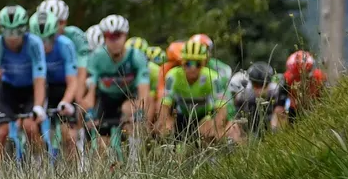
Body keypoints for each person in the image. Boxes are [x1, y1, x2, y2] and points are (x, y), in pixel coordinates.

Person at [0, 5, 47, 161]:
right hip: (8, 90)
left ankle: (40, 166)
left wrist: (38, 106)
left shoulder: (34, 44)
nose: (12, 37)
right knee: (0, 132)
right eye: (7, 31)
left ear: (24, 30)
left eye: (16, 32)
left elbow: (40, 79)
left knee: (30, 127)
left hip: (30, 90)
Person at [81, 15, 150, 147]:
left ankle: (134, 162)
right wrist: (89, 113)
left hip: (128, 97)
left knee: (131, 115)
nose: (114, 41)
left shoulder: (136, 56)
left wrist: (140, 111)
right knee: (101, 145)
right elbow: (90, 92)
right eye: (109, 36)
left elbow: (144, 91)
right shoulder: (97, 57)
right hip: (105, 99)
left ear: (125, 36)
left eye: (117, 35)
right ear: (104, 38)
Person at [158, 39, 240, 144]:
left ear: (204, 63)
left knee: (208, 130)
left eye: (197, 64)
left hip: (205, 115)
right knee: (166, 129)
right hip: (182, 116)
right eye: (188, 63)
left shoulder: (212, 77)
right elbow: (165, 104)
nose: (192, 68)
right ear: (182, 63)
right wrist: (165, 122)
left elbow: (221, 107)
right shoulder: (173, 76)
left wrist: (217, 127)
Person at [35, 10, 78, 158]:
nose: (44, 45)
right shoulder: (30, 47)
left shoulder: (66, 45)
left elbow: (73, 82)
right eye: (40, 40)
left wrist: (65, 102)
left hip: (63, 88)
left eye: (48, 39)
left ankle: (74, 175)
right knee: (35, 132)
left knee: (68, 135)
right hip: (41, 88)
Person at [274, 50, 326, 126]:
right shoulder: (287, 78)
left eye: (303, 77)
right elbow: (279, 105)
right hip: (295, 109)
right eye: (297, 77)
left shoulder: (320, 78)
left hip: (316, 108)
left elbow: (326, 98)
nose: (300, 82)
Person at [232, 61, 281, 140]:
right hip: (248, 127)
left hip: (269, 126)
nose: (259, 90)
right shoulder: (243, 94)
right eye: (256, 85)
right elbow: (236, 118)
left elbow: (279, 114)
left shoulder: (275, 91)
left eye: (263, 86)